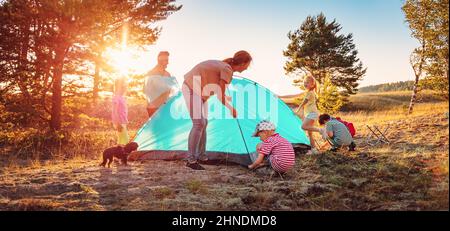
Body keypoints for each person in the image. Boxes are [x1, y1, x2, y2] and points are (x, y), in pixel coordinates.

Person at [182, 50, 252, 170]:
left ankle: (202, 157)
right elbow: (220, 95)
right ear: (242, 63)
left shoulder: (225, 67)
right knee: (199, 123)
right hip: (191, 88)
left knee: (204, 123)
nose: (247, 68)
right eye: (247, 64)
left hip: (200, 93)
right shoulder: (227, 69)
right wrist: (231, 109)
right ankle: (191, 160)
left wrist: (226, 98)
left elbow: (218, 90)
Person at [295, 75, 326, 155]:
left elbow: (303, 102)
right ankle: (314, 150)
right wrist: (280, 96)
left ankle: (321, 130)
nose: (305, 84)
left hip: (312, 113)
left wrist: (298, 110)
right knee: (310, 133)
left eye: (307, 82)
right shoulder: (308, 92)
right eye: (304, 82)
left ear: (312, 84)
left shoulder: (310, 93)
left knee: (303, 126)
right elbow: (294, 95)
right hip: (311, 113)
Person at [143, 51, 179, 118]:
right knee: (156, 128)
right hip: (153, 108)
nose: (168, 63)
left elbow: (174, 90)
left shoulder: (168, 74)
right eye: (166, 60)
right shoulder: (150, 74)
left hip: (166, 107)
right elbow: (145, 91)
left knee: (166, 127)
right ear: (160, 61)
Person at [111, 76, 129, 145]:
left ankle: (119, 154)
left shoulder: (122, 97)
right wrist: (118, 123)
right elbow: (114, 111)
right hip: (119, 122)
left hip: (122, 121)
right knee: (124, 140)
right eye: (124, 86)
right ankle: (121, 154)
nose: (125, 88)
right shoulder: (116, 97)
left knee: (122, 140)